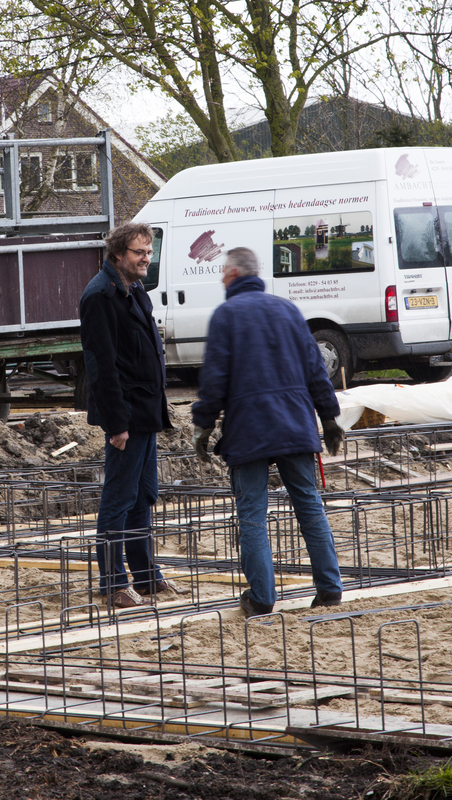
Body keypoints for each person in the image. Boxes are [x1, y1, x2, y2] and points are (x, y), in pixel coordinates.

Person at [191, 247, 344, 617]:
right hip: (294, 425)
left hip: (249, 430)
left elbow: (214, 380)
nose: (220, 278)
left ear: (232, 272)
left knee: (252, 516)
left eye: (222, 272)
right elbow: (316, 371)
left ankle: (261, 598)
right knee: (309, 507)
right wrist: (329, 419)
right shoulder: (288, 311)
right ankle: (330, 589)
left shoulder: (226, 316)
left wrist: (204, 425)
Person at [80, 222, 173, 608]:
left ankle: (146, 576)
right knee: (118, 498)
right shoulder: (100, 297)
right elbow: (101, 366)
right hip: (127, 414)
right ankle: (114, 584)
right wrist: (116, 422)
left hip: (147, 409)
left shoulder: (135, 291)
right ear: (118, 254)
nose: (146, 259)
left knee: (143, 496)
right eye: (139, 252)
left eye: (149, 253)